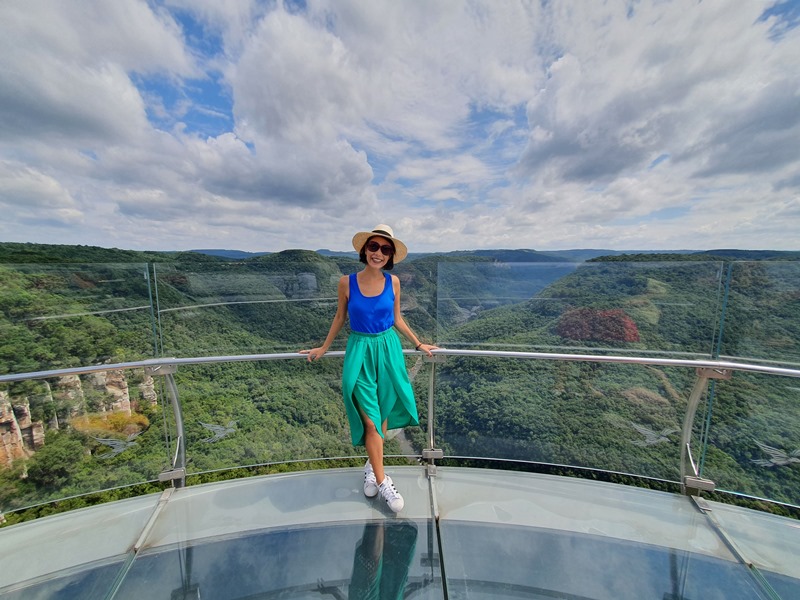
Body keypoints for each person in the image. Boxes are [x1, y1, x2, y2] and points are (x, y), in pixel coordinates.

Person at [301, 224, 438, 513]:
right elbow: (340, 317)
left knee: (383, 412)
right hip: (360, 350)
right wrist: (323, 347)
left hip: (388, 349)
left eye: (385, 249)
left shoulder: (395, 283)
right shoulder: (346, 282)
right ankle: (383, 480)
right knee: (371, 421)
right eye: (373, 247)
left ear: (390, 256)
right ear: (364, 250)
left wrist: (418, 344)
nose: (378, 253)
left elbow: (397, 318)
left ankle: (371, 468)